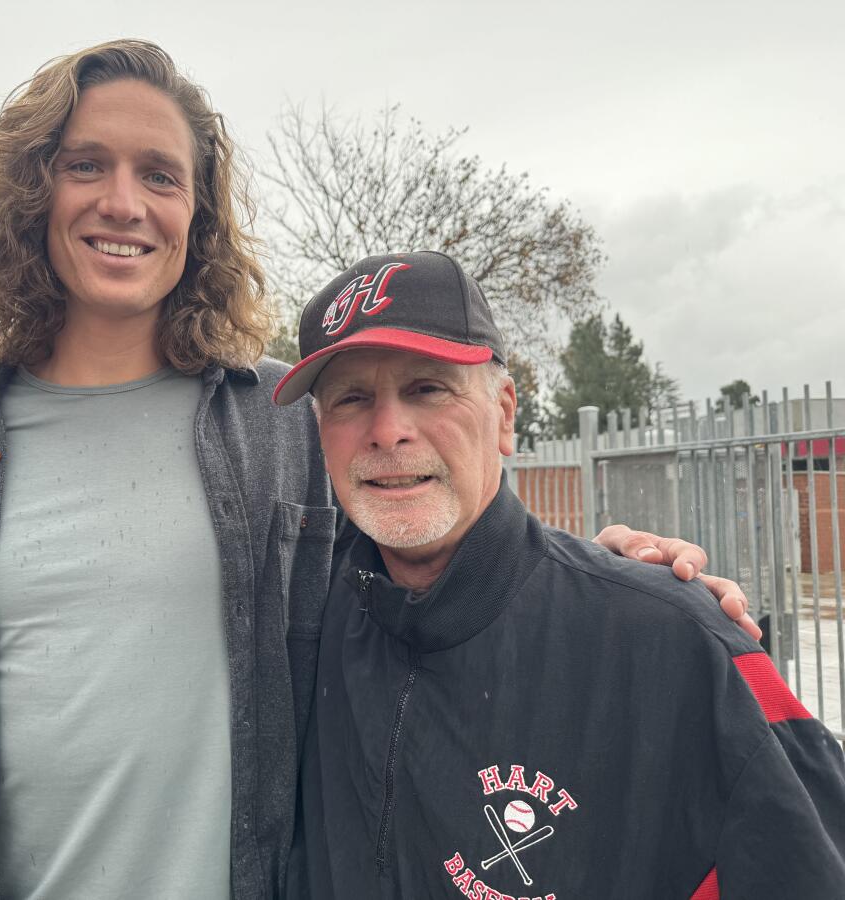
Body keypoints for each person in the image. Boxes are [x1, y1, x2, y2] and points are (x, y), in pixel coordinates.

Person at [0, 40, 753, 900]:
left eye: (161, 175)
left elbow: (428, 555)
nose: (123, 202)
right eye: (87, 164)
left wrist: (617, 583)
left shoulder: (284, 416)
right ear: (33, 192)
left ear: (197, 214)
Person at [275, 251, 845, 899]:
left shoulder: (678, 647)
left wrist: (629, 597)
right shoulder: (306, 614)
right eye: (352, 399)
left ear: (507, 414)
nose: (387, 431)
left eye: (427, 387)